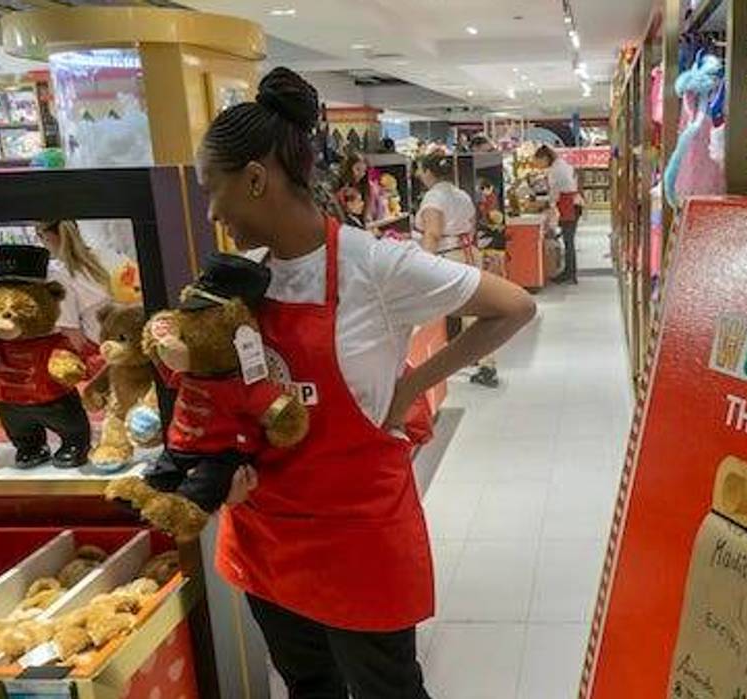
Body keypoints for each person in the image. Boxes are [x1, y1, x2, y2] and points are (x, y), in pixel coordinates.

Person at [197, 67, 534, 699]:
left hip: (358, 535)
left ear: (254, 179)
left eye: (211, 189)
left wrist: (412, 388)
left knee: (388, 691)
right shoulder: (240, 278)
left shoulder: (372, 264)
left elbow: (513, 306)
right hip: (267, 530)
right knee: (307, 685)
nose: (211, 210)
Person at [415, 153, 500, 389]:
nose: (419, 175)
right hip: (468, 252)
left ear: (429, 172)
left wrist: (423, 264)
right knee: (474, 310)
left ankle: (481, 363)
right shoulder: (461, 193)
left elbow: (432, 233)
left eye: (421, 170)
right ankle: (482, 360)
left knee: (441, 313)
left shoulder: (433, 197)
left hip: (448, 257)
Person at [37, 220, 112, 358]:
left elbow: (72, 333)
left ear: (46, 237)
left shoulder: (59, 276)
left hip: (102, 354)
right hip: (133, 344)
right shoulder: (109, 256)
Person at [533, 144, 582, 284]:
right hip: (573, 204)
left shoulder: (555, 170)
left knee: (568, 241)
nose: (539, 165)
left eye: (539, 161)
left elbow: (554, 194)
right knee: (568, 240)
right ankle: (570, 272)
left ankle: (570, 273)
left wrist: (544, 204)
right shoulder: (560, 165)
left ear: (545, 158)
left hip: (569, 206)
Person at [338, 151, 388, 227]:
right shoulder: (340, 187)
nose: (361, 174)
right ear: (349, 167)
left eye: (364, 171)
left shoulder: (367, 188)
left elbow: (368, 213)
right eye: (357, 169)